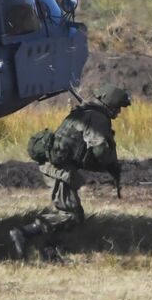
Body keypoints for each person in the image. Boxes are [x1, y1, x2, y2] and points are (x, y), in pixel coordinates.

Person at [11, 86, 131, 262]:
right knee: (69, 215)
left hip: (59, 166)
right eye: (118, 107)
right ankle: (23, 234)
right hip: (58, 169)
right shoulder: (96, 117)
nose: (119, 112)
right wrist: (111, 165)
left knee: (72, 214)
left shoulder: (88, 112)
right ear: (111, 104)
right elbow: (99, 150)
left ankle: (50, 253)